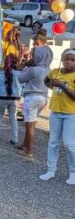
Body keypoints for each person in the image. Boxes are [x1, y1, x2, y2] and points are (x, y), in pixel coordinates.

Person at [39, 49, 75, 185]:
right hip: (55, 111)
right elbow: (46, 81)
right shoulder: (55, 71)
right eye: (67, 59)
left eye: (72, 59)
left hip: (71, 113)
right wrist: (52, 85)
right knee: (53, 142)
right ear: (62, 59)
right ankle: (50, 170)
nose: (69, 62)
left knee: (69, 144)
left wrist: (62, 86)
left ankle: (73, 172)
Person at [16, 39, 53, 160]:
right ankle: (24, 144)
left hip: (32, 97)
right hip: (43, 98)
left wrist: (25, 67)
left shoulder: (35, 69)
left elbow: (21, 79)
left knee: (29, 125)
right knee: (31, 122)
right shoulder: (49, 70)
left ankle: (29, 151)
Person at [0, 54, 22, 144]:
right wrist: (20, 97)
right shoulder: (20, 75)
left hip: (2, 98)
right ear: (17, 63)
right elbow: (23, 87)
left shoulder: (0, 74)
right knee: (13, 118)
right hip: (15, 99)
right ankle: (14, 139)